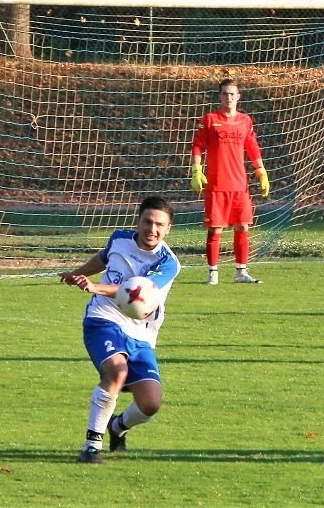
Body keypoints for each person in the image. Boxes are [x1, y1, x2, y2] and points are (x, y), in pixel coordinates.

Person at [59, 195, 181, 464]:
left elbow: (134, 292)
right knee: (116, 371)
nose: (152, 229)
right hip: (104, 318)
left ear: (168, 229)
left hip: (141, 333)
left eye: (160, 225)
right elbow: (103, 259)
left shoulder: (168, 263)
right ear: (138, 221)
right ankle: (92, 446)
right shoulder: (119, 239)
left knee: (150, 404)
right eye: (147, 221)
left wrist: (95, 287)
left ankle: (117, 426)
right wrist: (78, 273)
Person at [190, 78, 269, 285]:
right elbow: (198, 145)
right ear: (220, 96)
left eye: (232, 94)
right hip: (217, 185)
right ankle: (213, 273)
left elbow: (252, 147)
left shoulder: (245, 121)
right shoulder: (209, 119)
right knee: (215, 230)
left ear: (238, 96)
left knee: (243, 227)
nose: (229, 97)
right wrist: (196, 169)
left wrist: (261, 171)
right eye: (225, 93)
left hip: (240, 186)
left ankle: (241, 273)